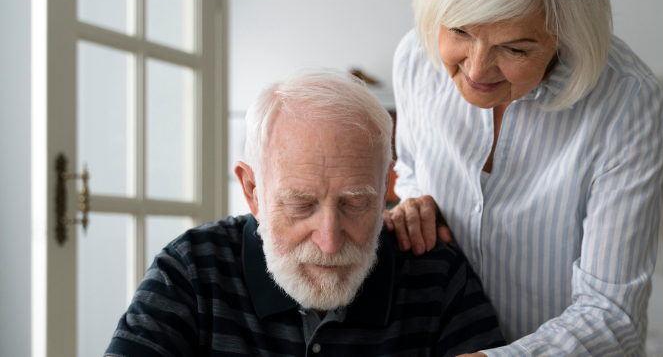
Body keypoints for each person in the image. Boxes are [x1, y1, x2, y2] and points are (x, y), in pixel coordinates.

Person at [384, 0, 663, 356]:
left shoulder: (628, 103)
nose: (477, 71)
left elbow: (613, 314)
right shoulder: (413, 60)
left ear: (567, 31)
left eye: (515, 49)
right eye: (459, 31)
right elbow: (410, 170)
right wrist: (414, 202)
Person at [105, 70, 505, 357]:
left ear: (387, 187)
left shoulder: (435, 274)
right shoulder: (192, 268)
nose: (329, 241)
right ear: (252, 191)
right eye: (300, 205)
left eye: (355, 204)